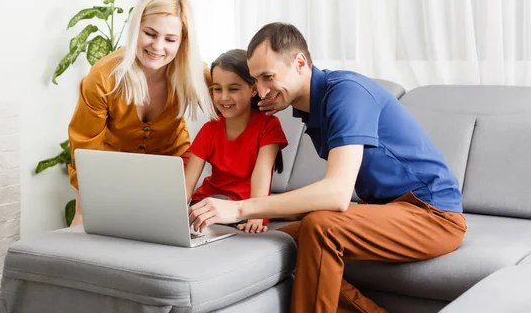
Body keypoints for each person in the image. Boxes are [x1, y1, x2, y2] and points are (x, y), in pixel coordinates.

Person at [188, 23, 466, 312]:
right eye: (256, 80)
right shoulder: (311, 107)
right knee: (278, 243)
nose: (261, 91)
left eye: (268, 77)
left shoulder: (347, 94)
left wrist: (241, 208)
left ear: (299, 64)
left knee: (321, 227)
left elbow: (336, 194)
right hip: (389, 211)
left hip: (433, 216)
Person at [68, 0, 218, 227]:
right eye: (150, 33)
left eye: (170, 39)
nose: (157, 47)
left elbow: (235, 102)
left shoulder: (196, 73)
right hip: (113, 171)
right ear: (136, 28)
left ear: (182, 42)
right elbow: (85, 146)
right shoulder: (104, 76)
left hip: (173, 171)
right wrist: (82, 213)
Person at [184, 49, 288, 233]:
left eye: (233, 89)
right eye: (217, 89)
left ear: (253, 89)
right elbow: (188, 182)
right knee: (200, 207)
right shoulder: (210, 129)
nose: (224, 97)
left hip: (243, 207)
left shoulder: (268, 125)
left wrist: (256, 215)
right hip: (208, 202)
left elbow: (262, 174)